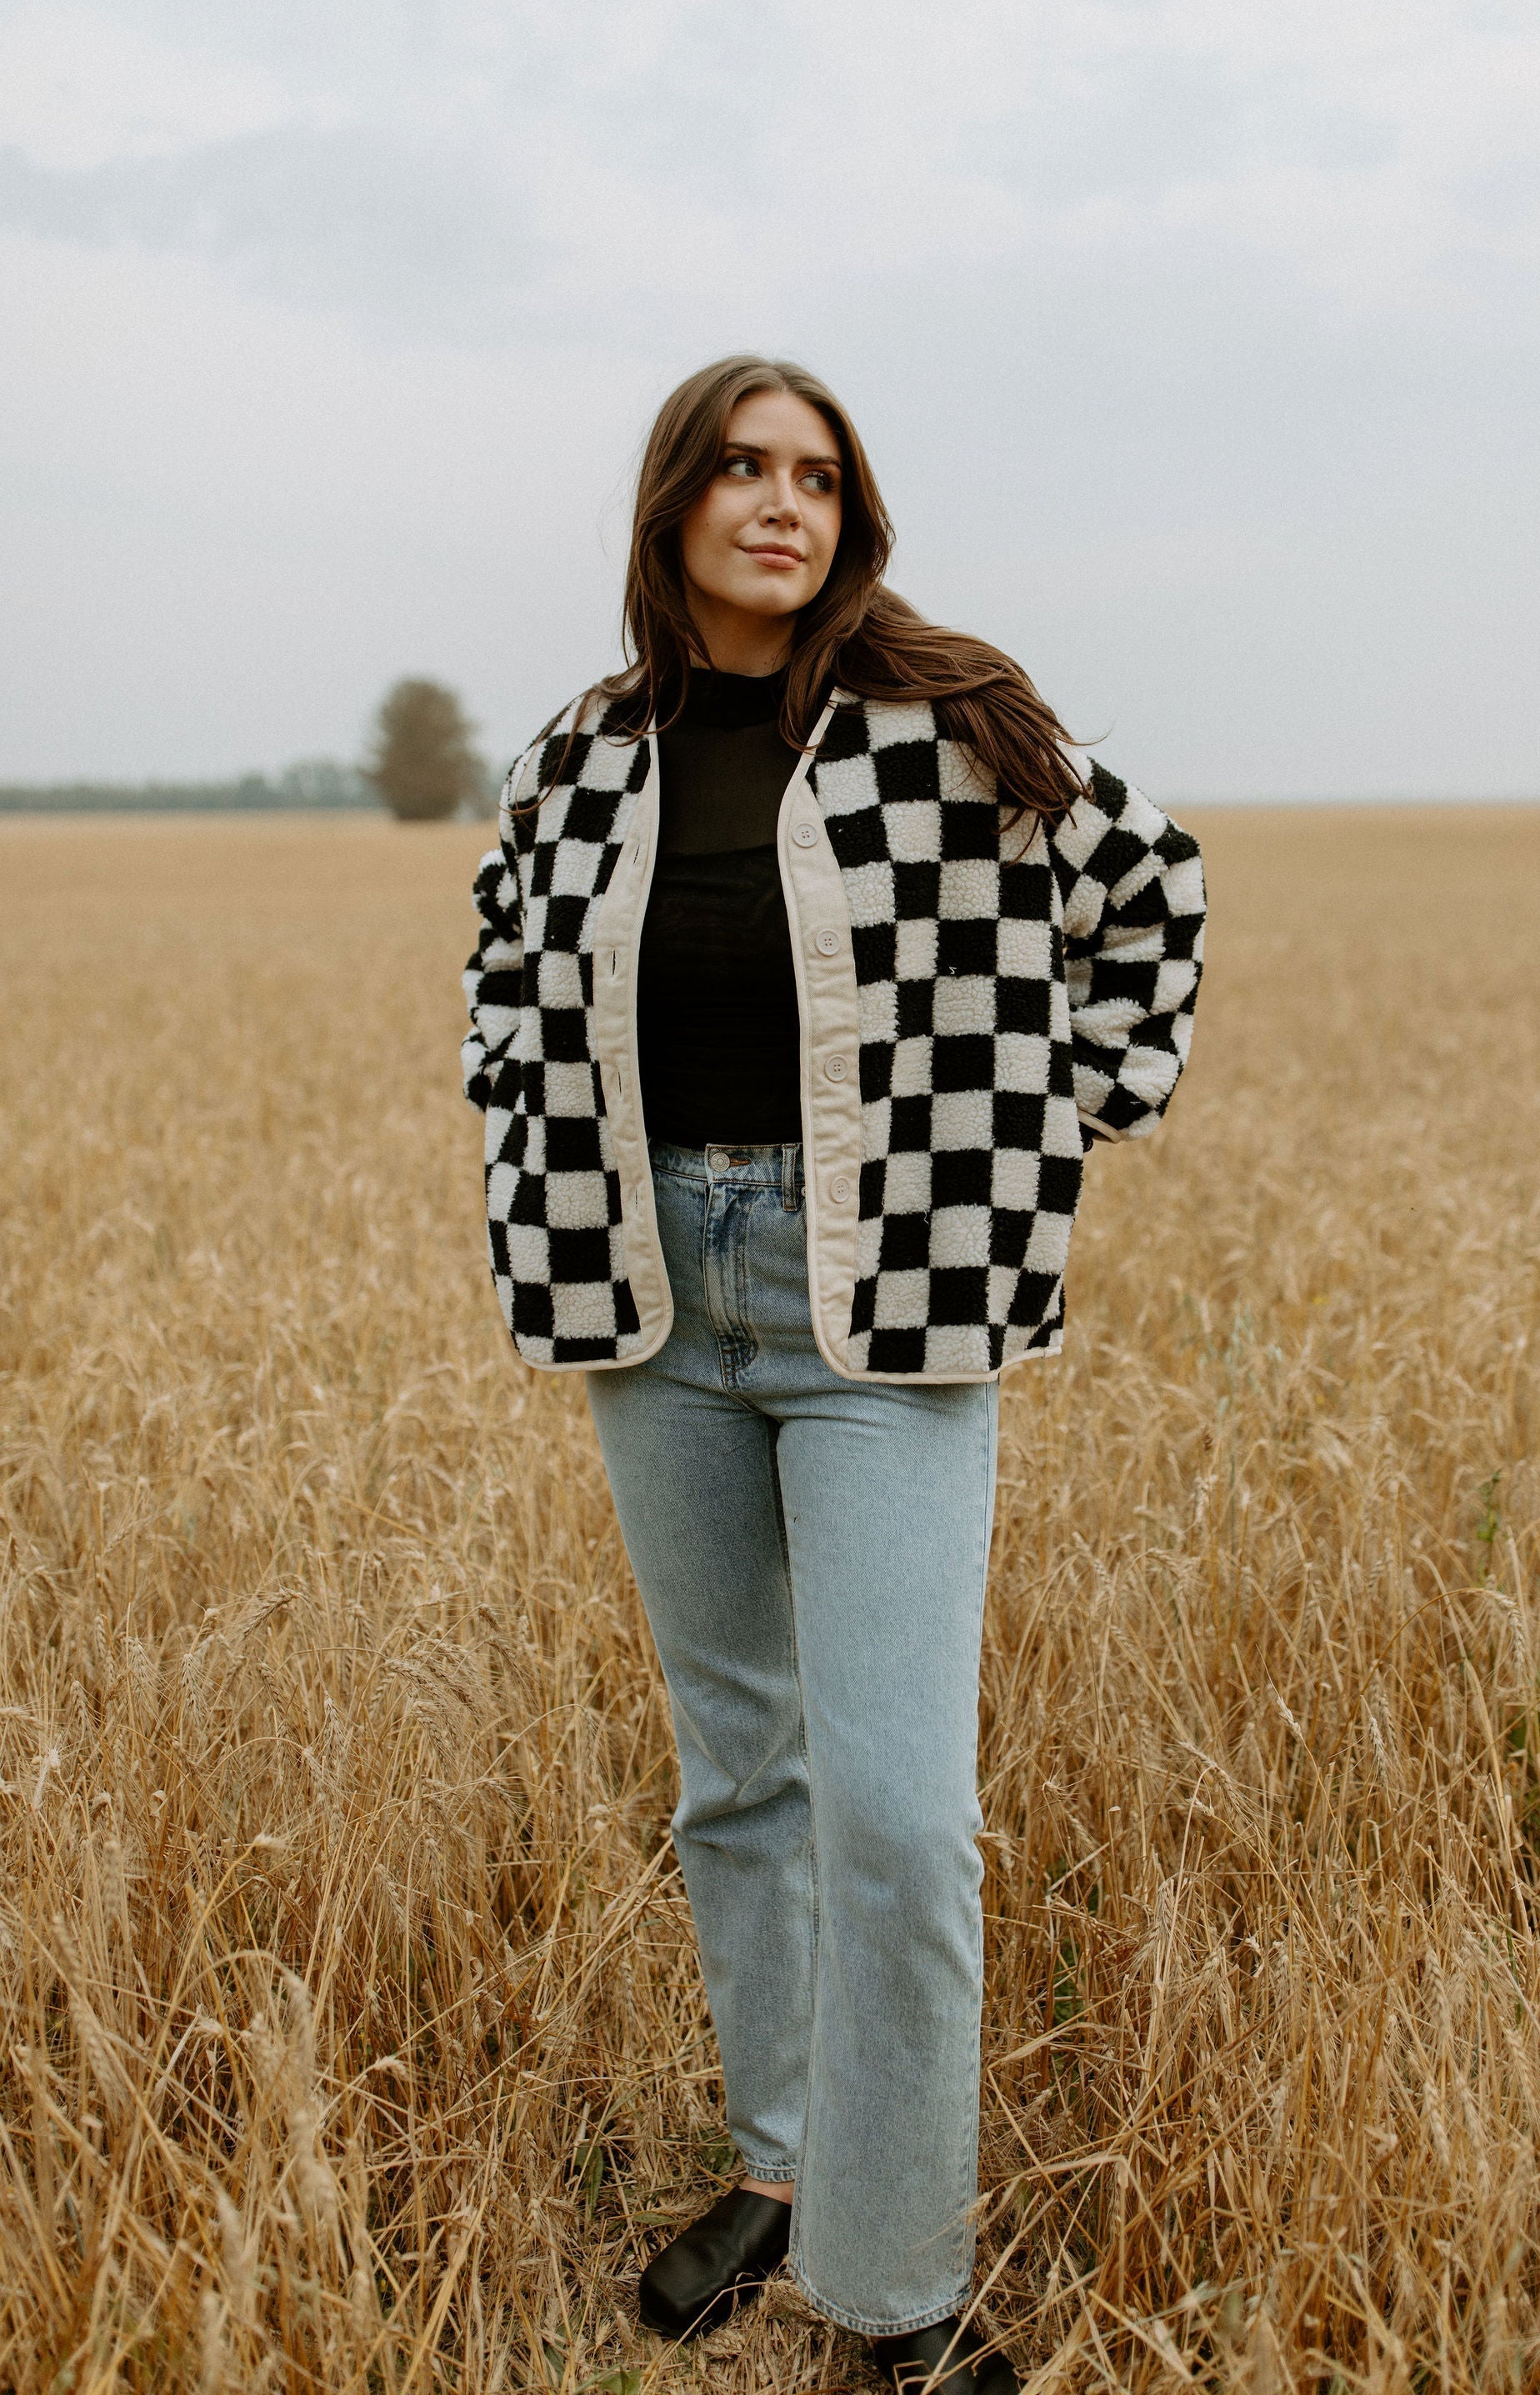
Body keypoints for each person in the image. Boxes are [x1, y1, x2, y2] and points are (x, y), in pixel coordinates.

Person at [461, 357, 1205, 2392]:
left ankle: (895, 2283)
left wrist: (1054, 1113)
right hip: (651, 1295)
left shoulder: (947, 722)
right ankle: (781, 2166)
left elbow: (1152, 889)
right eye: (740, 468)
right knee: (740, 1775)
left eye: (814, 475)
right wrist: (515, 1103)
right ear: (674, 505)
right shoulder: (582, 754)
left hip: (888, 1295)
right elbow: (501, 967)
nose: (779, 503)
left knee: (895, 1812)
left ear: (847, 515)